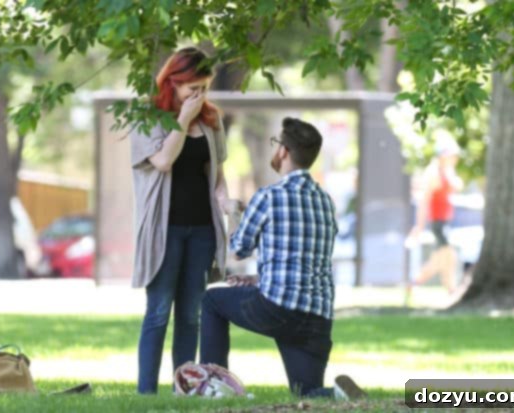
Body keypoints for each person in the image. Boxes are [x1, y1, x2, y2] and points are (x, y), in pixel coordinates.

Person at [199, 117, 364, 399]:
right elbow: (308, 257)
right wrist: (259, 278)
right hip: (317, 318)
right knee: (306, 391)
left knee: (212, 301)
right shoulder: (325, 201)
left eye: (277, 143)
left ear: (284, 151)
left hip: (279, 308)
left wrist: (232, 212)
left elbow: (237, 251)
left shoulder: (269, 196)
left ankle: (214, 386)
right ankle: (337, 396)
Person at [129, 47, 233, 394]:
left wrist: (226, 203)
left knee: (191, 315)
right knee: (158, 312)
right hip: (164, 230)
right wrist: (183, 119)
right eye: (193, 89)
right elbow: (162, 161)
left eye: (204, 88)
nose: (199, 96)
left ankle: (183, 387)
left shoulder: (211, 120)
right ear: (174, 83)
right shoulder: (149, 118)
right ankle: (146, 392)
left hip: (201, 229)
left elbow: (215, 172)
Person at [406, 137, 464, 294]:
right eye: (451, 156)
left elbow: (458, 185)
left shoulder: (446, 172)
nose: (455, 159)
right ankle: (418, 283)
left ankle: (448, 289)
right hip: (438, 222)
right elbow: (423, 202)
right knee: (447, 257)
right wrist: (418, 226)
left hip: (445, 220)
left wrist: (450, 172)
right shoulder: (433, 174)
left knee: (444, 259)